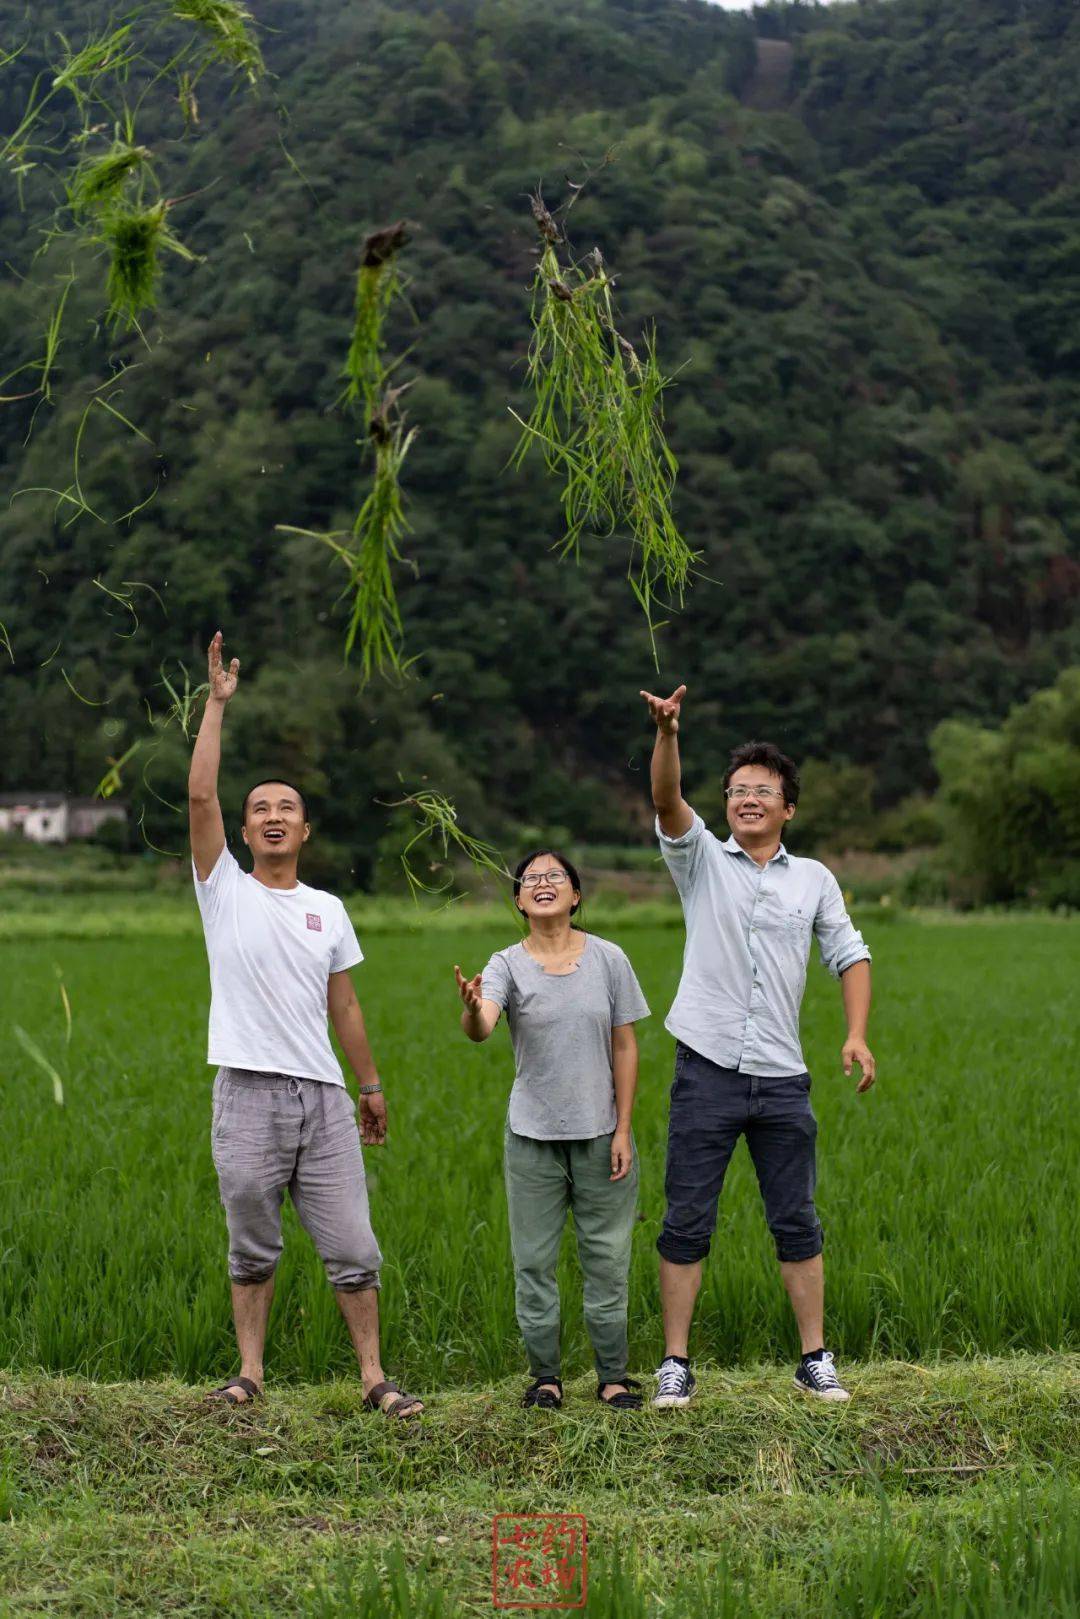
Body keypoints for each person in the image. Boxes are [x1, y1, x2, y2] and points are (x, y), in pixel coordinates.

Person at [188, 631, 422, 1419]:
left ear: (306, 829)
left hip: (322, 1099)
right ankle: (249, 1373)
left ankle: (373, 1378)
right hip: (248, 1092)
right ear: (246, 833)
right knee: (252, 1241)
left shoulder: (328, 908)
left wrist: (372, 1083)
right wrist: (216, 705)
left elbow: (344, 1004)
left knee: (353, 1247)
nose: (274, 816)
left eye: (288, 807)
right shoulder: (223, 888)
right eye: (260, 810)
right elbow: (197, 799)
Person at [640, 683, 875, 1407]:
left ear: (787, 806)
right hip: (705, 1067)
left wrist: (857, 1033)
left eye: (762, 791)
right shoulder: (701, 860)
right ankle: (675, 1362)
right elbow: (667, 800)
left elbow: (850, 953)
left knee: (797, 1217)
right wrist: (669, 733)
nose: (747, 800)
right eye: (737, 790)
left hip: (781, 1076)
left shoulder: (814, 879)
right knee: (686, 1217)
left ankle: (814, 1358)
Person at [454, 850, 650, 1412]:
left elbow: (625, 1044)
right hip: (532, 1138)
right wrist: (470, 1008)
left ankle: (613, 1377)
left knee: (607, 1259)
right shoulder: (505, 963)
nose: (543, 884)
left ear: (576, 894)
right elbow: (482, 1026)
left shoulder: (610, 959)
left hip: (602, 1134)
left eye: (554, 877)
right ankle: (546, 1377)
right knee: (534, 1263)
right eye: (530, 880)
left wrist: (624, 1128)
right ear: (519, 900)